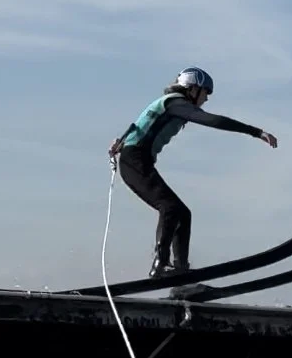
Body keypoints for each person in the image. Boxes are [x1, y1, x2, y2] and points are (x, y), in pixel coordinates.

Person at [109, 68, 278, 277]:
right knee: (170, 207)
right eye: (205, 93)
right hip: (134, 161)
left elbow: (141, 125)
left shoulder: (169, 104)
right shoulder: (176, 104)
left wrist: (120, 142)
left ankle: (181, 270)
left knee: (183, 214)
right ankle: (160, 265)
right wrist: (256, 132)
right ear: (193, 88)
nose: (206, 99)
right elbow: (213, 121)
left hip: (136, 160)